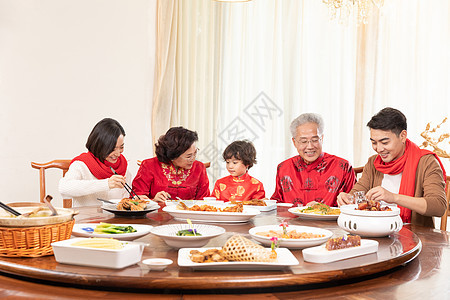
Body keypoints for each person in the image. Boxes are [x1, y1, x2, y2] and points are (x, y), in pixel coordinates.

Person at [337, 107, 447, 227]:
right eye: (374, 142)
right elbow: (358, 192)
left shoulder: (427, 162)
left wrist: (394, 197)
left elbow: (438, 206)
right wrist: (348, 198)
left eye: (384, 142)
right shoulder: (373, 163)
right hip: (375, 231)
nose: (378, 149)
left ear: (403, 136)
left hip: (415, 237)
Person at [271, 113, 356, 207]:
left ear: (322, 139)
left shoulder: (342, 166)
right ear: (294, 142)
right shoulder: (284, 168)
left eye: (315, 140)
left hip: (330, 221)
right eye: (303, 141)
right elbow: (277, 205)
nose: (310, 146)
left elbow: (355, 205)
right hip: (292, 221)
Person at [59, 118, 135, 207]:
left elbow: (125, 199)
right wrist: (106, 184)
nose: (118, 154)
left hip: (115, 220)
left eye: (121, 147)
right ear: (100, 145)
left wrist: (135, 200)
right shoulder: (81, 164)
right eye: (113, 148)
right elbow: (64, 188)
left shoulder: (123, 166)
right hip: (85, 219)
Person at [132, 126, 210, 203]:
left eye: (195, 153)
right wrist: (153, 201)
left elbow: (204, 201)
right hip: (156, 214)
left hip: (188, 215)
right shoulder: (149, 165)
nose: (193, 159)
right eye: (189, 156)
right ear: (173, 155)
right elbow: (136, 198)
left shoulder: (199, 168)